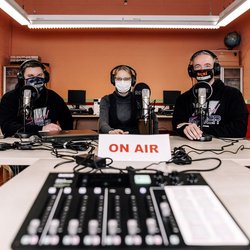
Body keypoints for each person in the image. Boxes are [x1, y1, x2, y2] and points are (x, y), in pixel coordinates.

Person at [172, 49, 248, 140]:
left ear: (216, 69)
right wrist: (185, 128)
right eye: (197, 66)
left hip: (223, 149)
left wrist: (201, 131)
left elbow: (239, 129)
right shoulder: (183, 98)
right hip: (191, 147)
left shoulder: (233, 95)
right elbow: (177, 126)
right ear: (191, 71)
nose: (202, 69)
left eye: (207, 65)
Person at [0, 59, 73, 138]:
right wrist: (41, 129)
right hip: (19, 142)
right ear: (21, 78)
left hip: (48, 143)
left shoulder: (53, 97)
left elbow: (67, 122)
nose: (36, 79)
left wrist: (63, 139)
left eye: (39, 75)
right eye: (30, 76)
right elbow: (7, 127)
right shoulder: (9, 98)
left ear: (45, 77)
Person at [99, 65, 158, 134]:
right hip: (113, 140)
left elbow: (153, 121)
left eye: (126, 79)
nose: (122, 82)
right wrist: (111, 131)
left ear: (132, 81)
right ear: (113, 80)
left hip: (134, 140)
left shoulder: (138, 98)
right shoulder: (106, 100)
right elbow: (103, 123)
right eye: (119, 79)